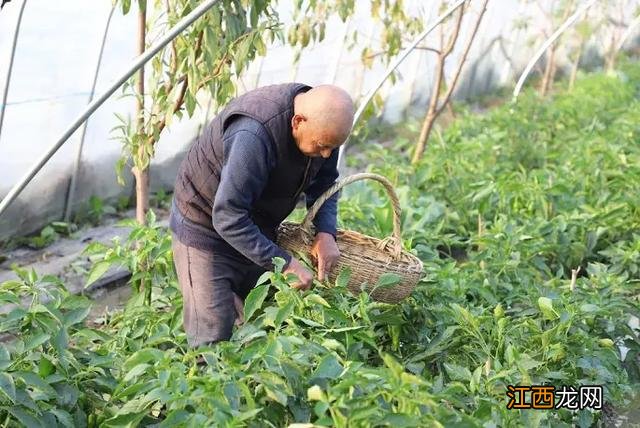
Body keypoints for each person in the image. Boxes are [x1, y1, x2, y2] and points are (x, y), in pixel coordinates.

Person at [170, 83, 355, 347]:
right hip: (205, 225)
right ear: (298, 121)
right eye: (322, 146)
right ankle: (202, 375)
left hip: (256, 222)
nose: (326, 154)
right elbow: (228, 216)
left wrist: (326, 232)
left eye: (332, 147)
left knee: (254, 318)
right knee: (212, 336)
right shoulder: (254, 134)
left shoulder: (324, 127)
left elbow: (325, 183)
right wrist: (286, 264)